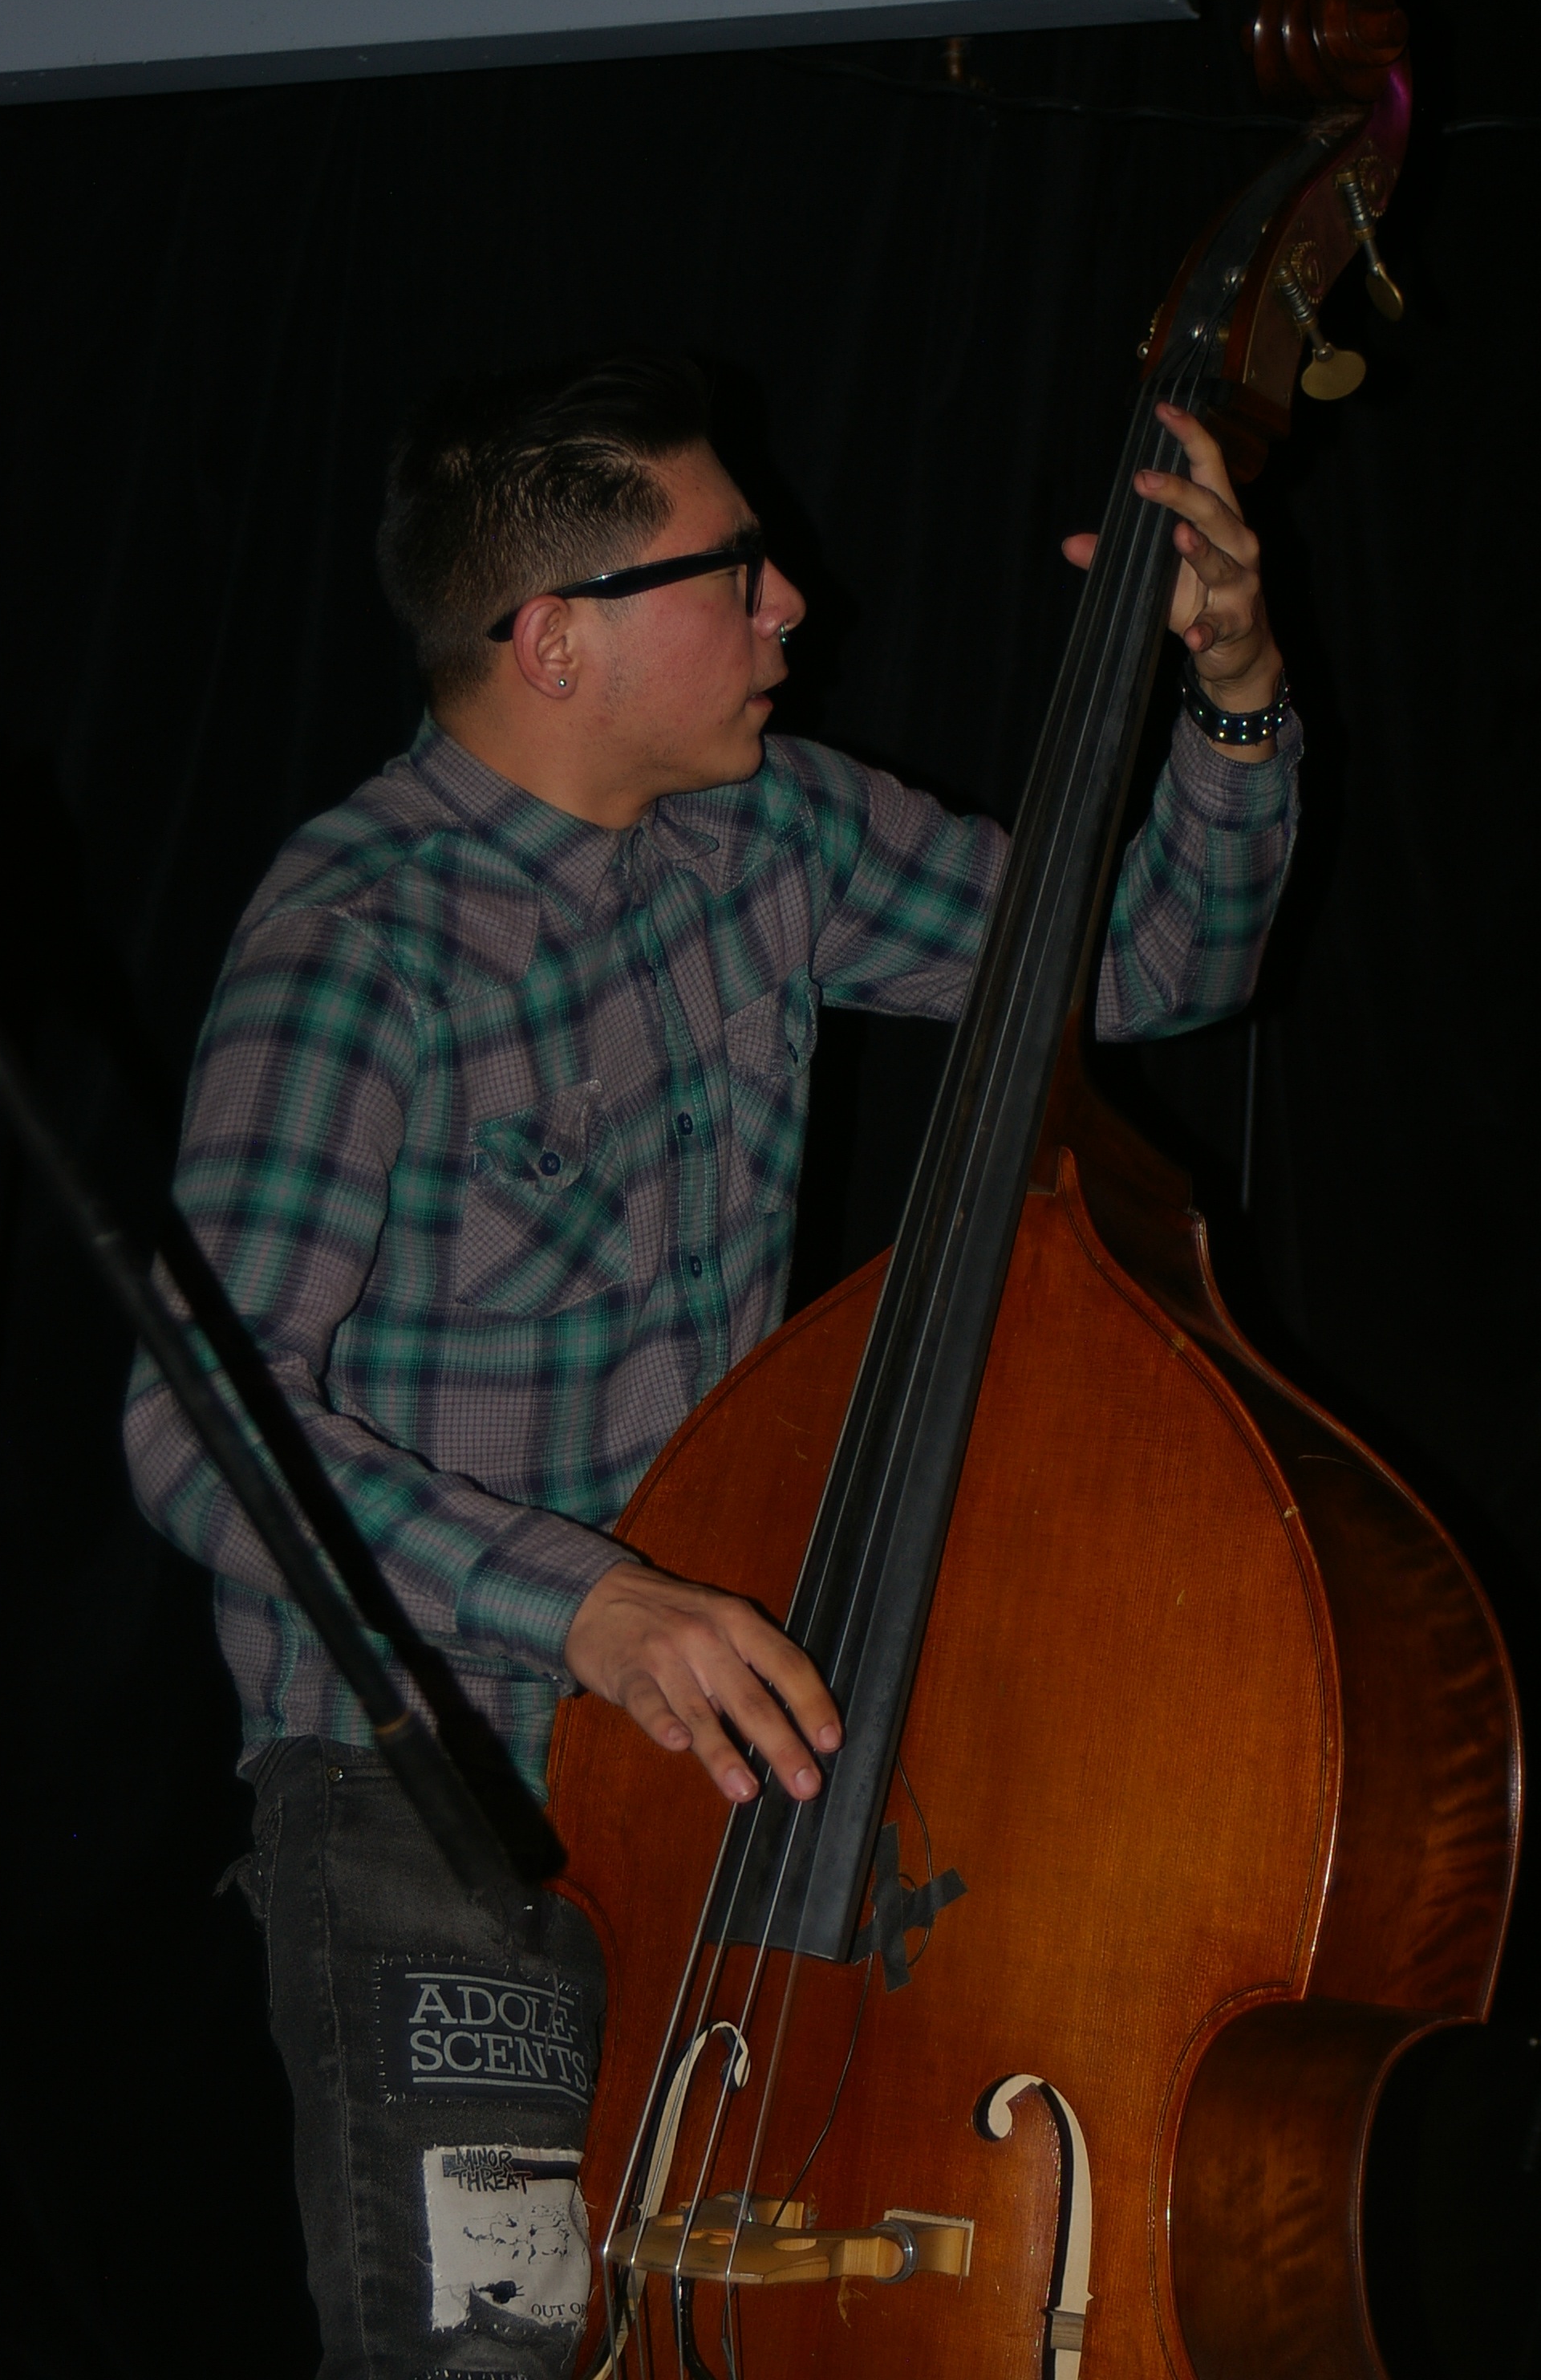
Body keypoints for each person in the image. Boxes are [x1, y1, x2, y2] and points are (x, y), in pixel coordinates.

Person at [124, 355, 1297, 2380]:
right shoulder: (355, 941)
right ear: (553, 640)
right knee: (490, 2353)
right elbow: (198, 1420)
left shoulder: (781, 834)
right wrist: (584, 1600)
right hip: (431, 1783)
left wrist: (1237, 693)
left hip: (713, 1777)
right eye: (731, 571)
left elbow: (1150, 960)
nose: (791, 606)